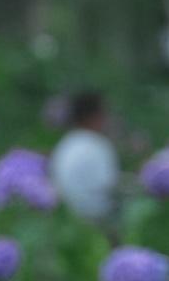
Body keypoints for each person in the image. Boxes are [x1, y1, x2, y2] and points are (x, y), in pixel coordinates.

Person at [49, 92, 119, 225]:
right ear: (93, 117)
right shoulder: (97, 145)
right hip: (96, 221)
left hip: (66, 220)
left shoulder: (64, 145)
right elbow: (109, 187)